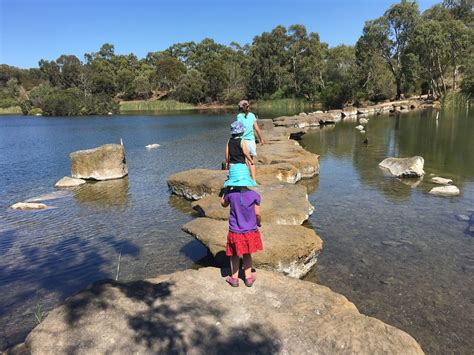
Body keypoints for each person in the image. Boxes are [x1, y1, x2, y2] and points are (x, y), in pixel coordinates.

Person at [220, 185, 263, 287]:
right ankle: (248, 279)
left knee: (234, 254)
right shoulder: (254, 195)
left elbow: (223, 204)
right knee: (247, 254)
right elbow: (257, 214)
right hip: (250, 231)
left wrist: (226, 189)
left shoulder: (230, 194)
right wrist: (259, 223)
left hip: (235, 231)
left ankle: (234, 279)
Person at [236, 100, 265, 181]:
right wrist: (261, 139)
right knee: (251, 161)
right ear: (248, 107)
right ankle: (254, 180)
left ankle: (244, 179)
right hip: (251, 141)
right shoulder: (252, 115)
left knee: (242, 161)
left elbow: (238, 129)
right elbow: (257, 129)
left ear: (240, 108)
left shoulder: (239, 116)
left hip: (242, 141)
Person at [224, 121, 257, 186]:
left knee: (233, 180)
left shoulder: (229, 141)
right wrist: (250, 160)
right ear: (240, 132)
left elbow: (226, 155)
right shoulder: (242, 141)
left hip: (232, 165)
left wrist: (227, 163)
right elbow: (246, 153)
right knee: (244, 180)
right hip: (241, 164)